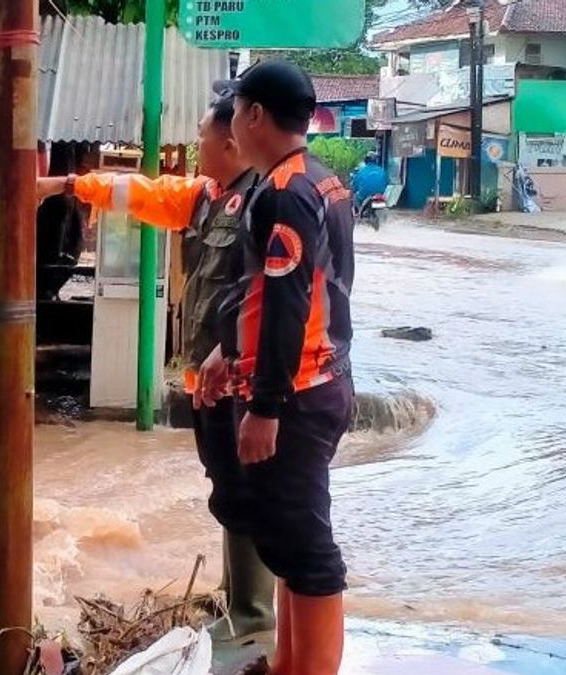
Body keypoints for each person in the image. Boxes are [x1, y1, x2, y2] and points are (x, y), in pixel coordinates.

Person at [37, 95, 277, 655]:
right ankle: (236, 595)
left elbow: (276, 297)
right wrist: (63, 186)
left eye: (200, 137)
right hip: (207, 381)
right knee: (227, 490)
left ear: (230, 141)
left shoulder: (264, 202)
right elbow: (137, 193)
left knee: (246, 492)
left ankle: (253, 611)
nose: (194, 146)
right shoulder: (204, 198)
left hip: (240, 381)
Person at [199, 59, 356, 675]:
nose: (231, 121)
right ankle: (288, 664)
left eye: (236, 109)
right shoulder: (317, 179)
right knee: (290, 547)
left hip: (295, 394)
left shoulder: (287, 192)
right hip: (320, 379)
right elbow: (277, 289)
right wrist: (227, 349)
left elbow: (290, 304)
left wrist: (264, 408)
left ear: (256, 115)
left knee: (310, 554)